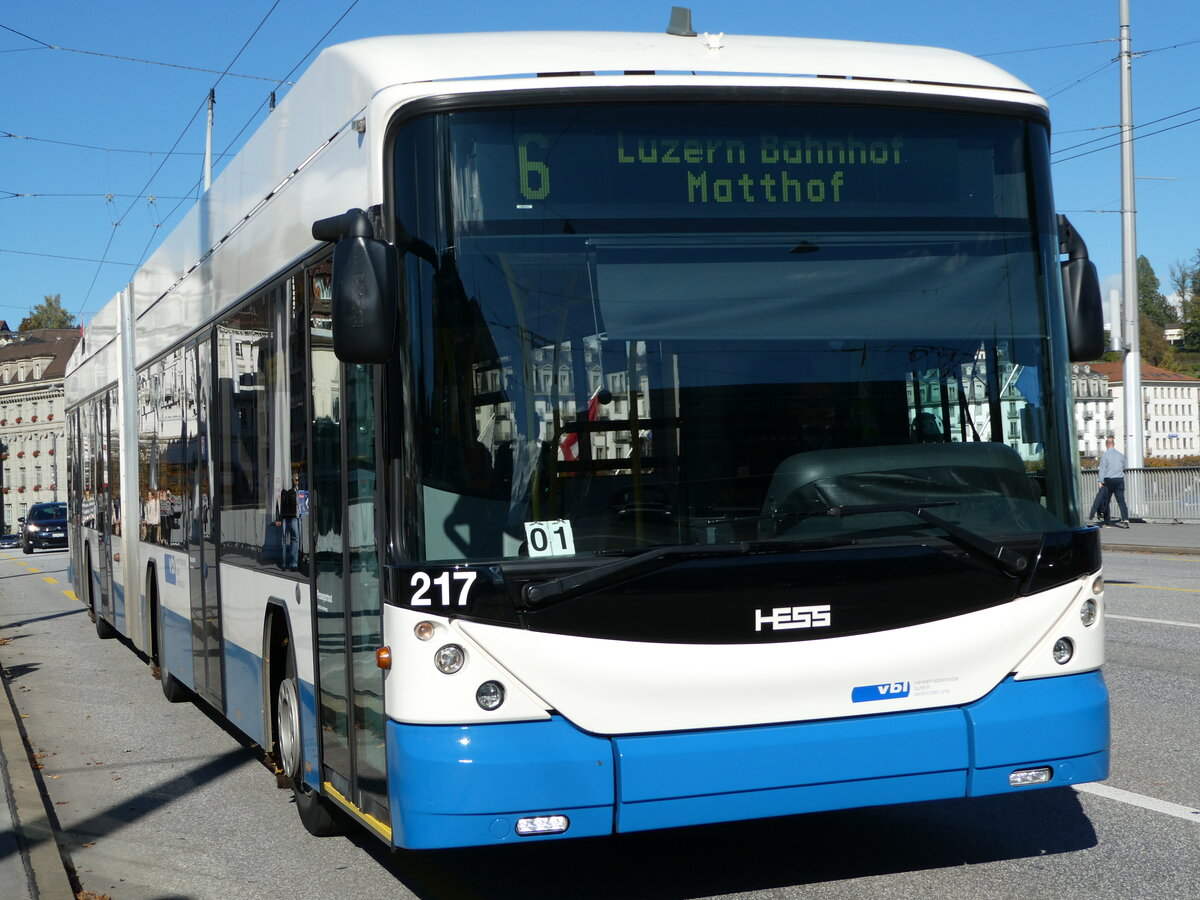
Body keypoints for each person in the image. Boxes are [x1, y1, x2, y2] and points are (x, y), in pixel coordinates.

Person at [1090, 437, 1130, 528]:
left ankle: (1107, 521)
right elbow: (1123, 467)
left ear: (1106, 444)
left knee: (1106, 501)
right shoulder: (1120, 455)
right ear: (1114, 444)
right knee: (1121, 501)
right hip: (1119, 479)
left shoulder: (1105, 455)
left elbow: (1102, 469)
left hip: (1108, 480)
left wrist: (1100, 481)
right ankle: (1126, 519)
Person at [276, 473, 301, 569]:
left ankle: (293, 562)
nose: (297, 481)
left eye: (298, 479)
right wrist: (278, 518)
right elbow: (278, 504)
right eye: (296, 479)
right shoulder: (289, 491)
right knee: (285, 539)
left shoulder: (298, 491)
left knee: (295, 539)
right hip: (287, 516)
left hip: (295, 516)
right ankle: (284, 562)